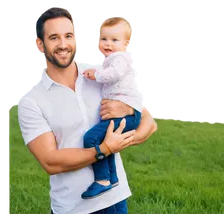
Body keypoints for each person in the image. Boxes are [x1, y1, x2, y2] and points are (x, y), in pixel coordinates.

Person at [18, 6, 157, 214]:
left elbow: (149, 123)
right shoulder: (32, 101)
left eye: (68, 35)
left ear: (76, 39)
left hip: (116, 201)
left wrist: (127, 109)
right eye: (54, 37)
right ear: (39, 44)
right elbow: (50, 162)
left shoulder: (100, 75)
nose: (63, 44)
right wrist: (104, 149)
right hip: (72, 208)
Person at [80, 15, 143, 199]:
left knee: (91, 139)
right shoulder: (110, 59)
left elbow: (114, 74)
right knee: (106, 142)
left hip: (127, 114)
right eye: (103, 39)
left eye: (115, 40)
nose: (108, 43)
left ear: (126, 44)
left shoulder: (120, 58)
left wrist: (96, 74)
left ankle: (102, 179)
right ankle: (113, 177)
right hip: (125, 113)